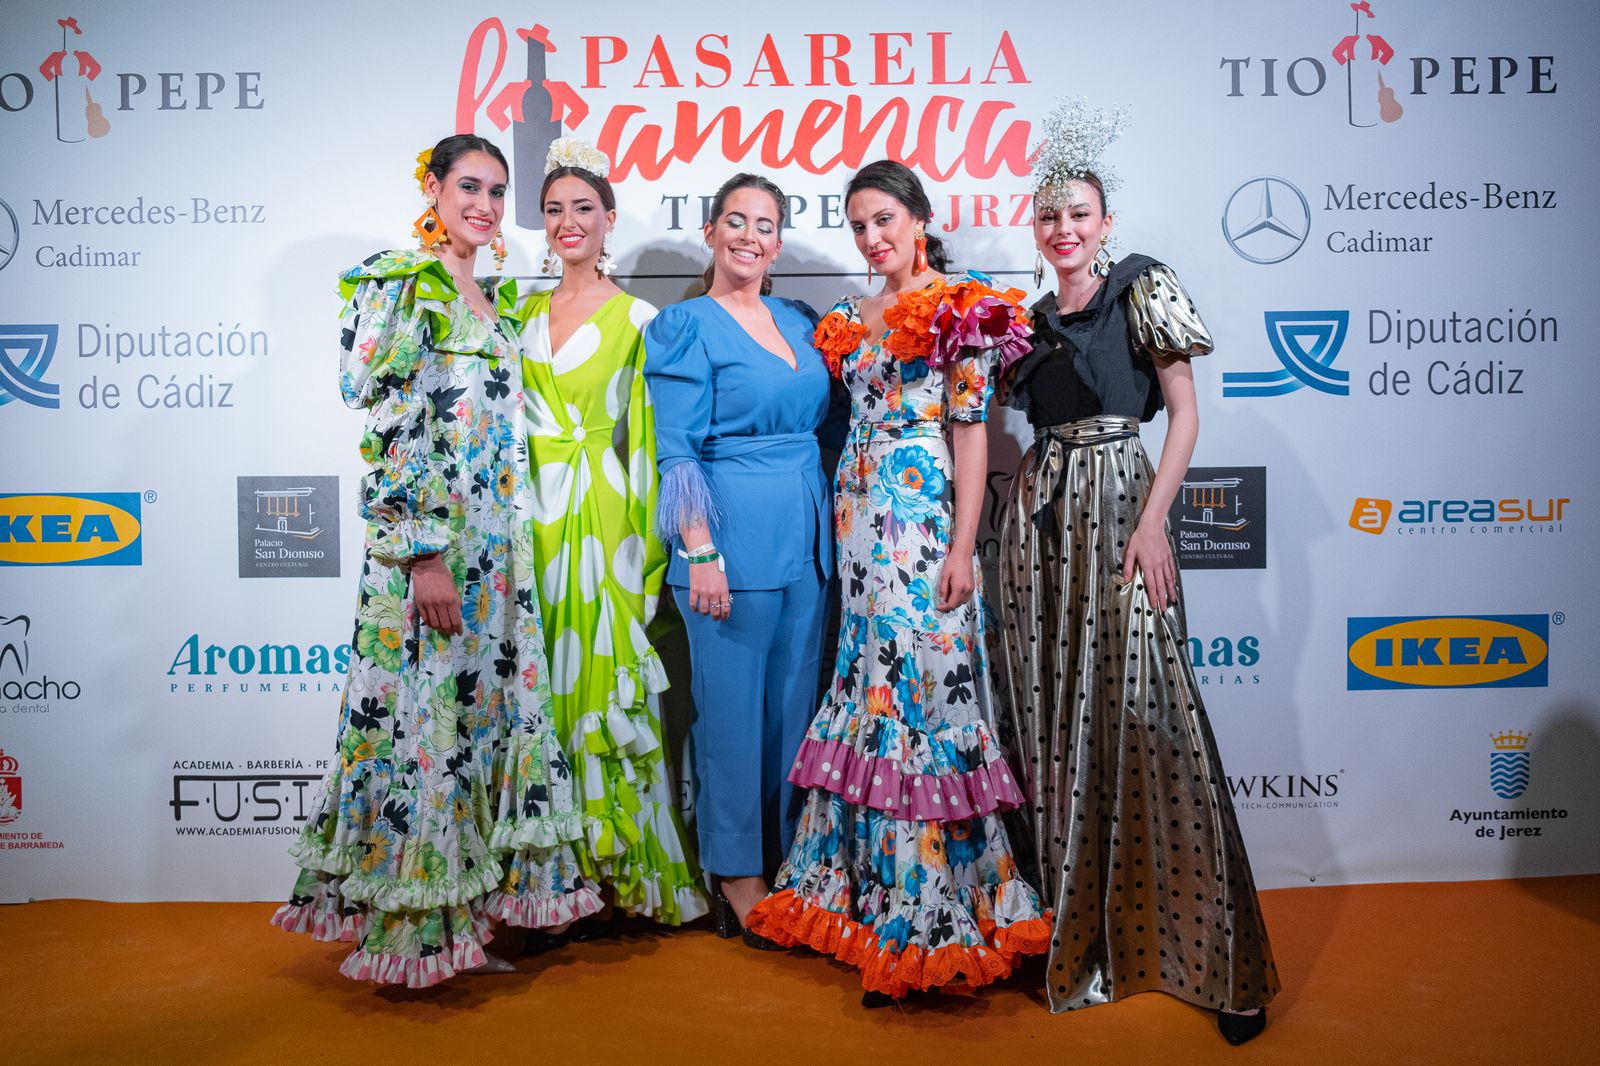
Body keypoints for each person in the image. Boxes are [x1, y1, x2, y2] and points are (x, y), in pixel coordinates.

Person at [273, 134, 596, 987]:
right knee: (421, 733)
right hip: (430, 552)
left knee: (467, 731)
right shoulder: (402, 283)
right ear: (433, 187)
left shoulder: (487, 295)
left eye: (496, 192)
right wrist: (421, 556)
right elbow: (384, 426)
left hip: (493, 552)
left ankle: (459, 920)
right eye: (469, 188)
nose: (485, 206)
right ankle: (411, 930)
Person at [995, 99, 1279, 1043]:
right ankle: (1084, 934)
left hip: (1124, 508)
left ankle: (1224, 966)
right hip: (1041, 534)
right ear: (1034, 231)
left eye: (1078, 214)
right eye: (1049, 217)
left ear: (1105, 221)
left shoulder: (1142, 286)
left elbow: (1186, 415)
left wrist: (1154, 523)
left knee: (1159, 721)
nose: (1064, 229)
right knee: (1058, 729)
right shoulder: (1024, 323)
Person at [746, 160, 1050, 1006]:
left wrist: (963, 548)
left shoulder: (960, 307)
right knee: (869, 693)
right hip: (856, 522)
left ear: (918, 218)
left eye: (885, 220)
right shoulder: (846, 318)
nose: (872, 238)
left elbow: (971, 435)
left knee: (925, 703)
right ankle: (868, 905)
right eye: (858, 225)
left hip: (922, 526)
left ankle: (935, 915)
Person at [512, 137, 706, 932]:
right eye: (553, 209)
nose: (567, 222)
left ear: (609, 219)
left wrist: (654, 549)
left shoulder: (641, 319)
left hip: (606, 524)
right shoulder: (515, 312)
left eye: (582, 208)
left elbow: (657, 444)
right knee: (542, 698)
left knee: (602, 688)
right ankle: (546, 885)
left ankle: (617, 873)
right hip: (530, 527)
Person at [643, 173, 833, 947]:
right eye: (735, 221)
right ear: (713, 232)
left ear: (778, 241)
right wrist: (702, 554)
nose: (749, 236)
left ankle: (787, 861)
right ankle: (736, 876)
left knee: (792, 712)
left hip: (805, 539)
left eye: (764, 224)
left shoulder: (799, 318)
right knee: (729, 720)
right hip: (728, 540)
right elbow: (677, 452)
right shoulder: (684, 324)